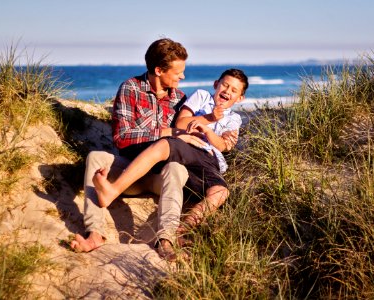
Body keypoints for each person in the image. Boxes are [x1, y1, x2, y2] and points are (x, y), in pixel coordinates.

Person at [69, 38, 205, 258]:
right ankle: (94, 233)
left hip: (160, 177)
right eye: (178, 72)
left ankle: (165, 240)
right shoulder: (130, 88)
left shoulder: (180, 100)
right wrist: (167, 132)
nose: (183, 77)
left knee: (177, 170)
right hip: (128, 173)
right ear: (159, 70)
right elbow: (122, 138)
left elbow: (190, 134)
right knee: (95, 157)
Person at [92, 69, 248, 258]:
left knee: (221, 192)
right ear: (216, 84)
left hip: (209, 158)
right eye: (225, 85)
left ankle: (182, 231)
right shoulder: (201, 96)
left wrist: (207, 130)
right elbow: (180, 124)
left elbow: (224, 146)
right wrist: (209, 118)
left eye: (234, 90)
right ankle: (113, 189)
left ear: (239, 98)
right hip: (186, 148)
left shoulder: (234, 119)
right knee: (164, 144)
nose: (227, 91)